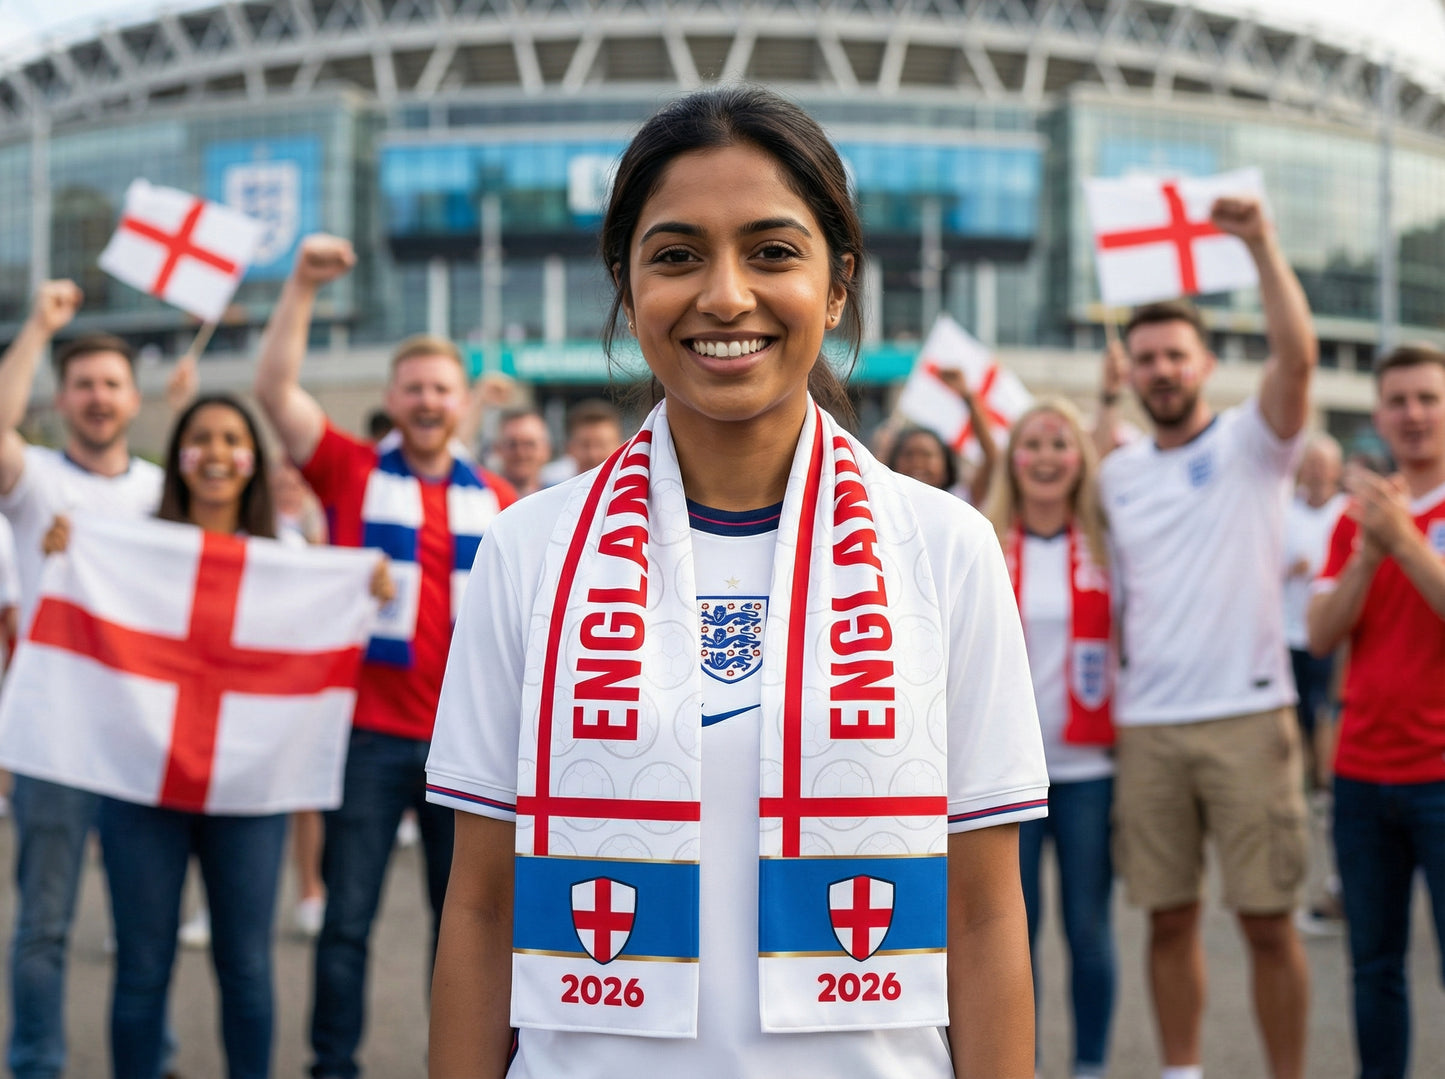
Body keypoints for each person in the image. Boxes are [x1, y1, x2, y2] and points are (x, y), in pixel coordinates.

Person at [425, 84, 1048, 1079]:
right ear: (626, 290)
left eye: (771, 251)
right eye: (675, 256)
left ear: (837, 285)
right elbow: (479, 902)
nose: (723, 295)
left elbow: (980, 911)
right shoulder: (525, 548)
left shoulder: (945, 548)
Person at [40, 394, 388, 1079]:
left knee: (247, 966)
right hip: (143, 782)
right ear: (178, 456)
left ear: (254, 458)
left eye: (233, 436)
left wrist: (360, 589)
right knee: (142, 966)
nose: (219, 451)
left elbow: (311, 647)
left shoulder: (287, 554)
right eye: (201, 437)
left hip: (248, 791)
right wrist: (63, 548)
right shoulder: (132, 541)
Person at [253, 242, 516, 1079]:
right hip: (369, 735)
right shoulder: (351, 470)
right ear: (391, 400)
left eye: (443, 388)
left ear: (461, 401)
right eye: (415, 388)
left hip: (466, 747)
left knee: (469, 922)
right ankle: (334, 1066)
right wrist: (300, 286)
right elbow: (273, 392)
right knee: (347, 921)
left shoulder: (501, 501)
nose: (429, 401)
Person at [1097, 198, 1318, 1079]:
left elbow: (1298, 357)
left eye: (1173, 355)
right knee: (1167, 917)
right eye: (1145, 357)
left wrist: (1261, 243)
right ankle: (1181, 1070)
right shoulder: (1115, 473)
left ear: (1205, 364)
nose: (1160, 369)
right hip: (1147, 723)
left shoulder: (1251, 445)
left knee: (1266, 921)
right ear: (1133, 370)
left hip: (1249, 716)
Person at [0, 282, 165, 1079]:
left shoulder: (160, 493)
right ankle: (34, 1063)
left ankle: (151, 1056)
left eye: (111, 383)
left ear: (134, 398)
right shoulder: (33, 480)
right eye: (84, 383)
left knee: (146, 926)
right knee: (45, 922)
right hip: (54, 735)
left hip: (139, 738)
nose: (98, 397)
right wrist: (38, 327)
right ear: (60, 398)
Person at [1306, 344, 1445, 1079]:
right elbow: (1322, 633)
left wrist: (1404, 540)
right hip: (1361, 776)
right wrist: (1367, 550)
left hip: (1438, 775)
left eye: (1426, 397)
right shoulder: (1352, 520)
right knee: (1373, 969)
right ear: (1378, 413)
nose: (1413, 413)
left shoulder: (1402, 519)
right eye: (1397, 401)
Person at [986, 398, 1116, 1079]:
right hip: (1006, 774)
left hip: (1087, 768)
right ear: (1012, 457)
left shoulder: (1106, 540)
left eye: (1059, 443)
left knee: (1088, 929)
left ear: (1079, 459)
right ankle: (1018, 1063)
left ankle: (1089, 1063)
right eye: (1031, 442)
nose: (1043, 456)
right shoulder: (980, 538)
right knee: (1012, 934)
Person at [1285, 434, 1346, 793]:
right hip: (1289, 629)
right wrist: (1290, 569)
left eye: (1324, 464)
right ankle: (1305, 773)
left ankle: (1324, 778)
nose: (1318, 471)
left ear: (1336, 470)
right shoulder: (1285, 510)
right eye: (1312, 463)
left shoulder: (1347, 510)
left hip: (1332, 630)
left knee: (1326, 708)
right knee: (1298, 710)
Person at [539, 398, 625, 485]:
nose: (593, 454)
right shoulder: (550, 487)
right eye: (585, 445)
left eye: (601, 445)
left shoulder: (634, 491)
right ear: (569, 448)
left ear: (621, 447)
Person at [493, 408, 552, 499]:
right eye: (512, 444)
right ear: (498, 449)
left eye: (529, 444)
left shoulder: (563, 499)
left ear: (546, 449)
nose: (521, 453)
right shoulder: (485, 498)